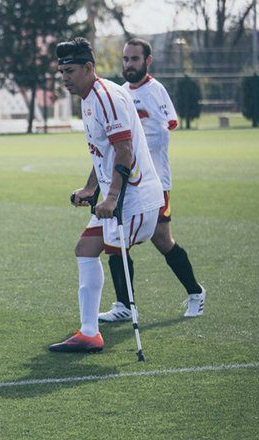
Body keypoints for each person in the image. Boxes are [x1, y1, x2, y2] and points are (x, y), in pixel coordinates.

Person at [49, 37, 164, 353]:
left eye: (69, 71)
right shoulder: (88, 98)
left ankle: (112, 317)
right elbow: (103, 152)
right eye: (61, 72)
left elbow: (124, 151)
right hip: (119, 199)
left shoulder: (107, 97)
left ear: (89, 68)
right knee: (85, 248)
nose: (65, 79)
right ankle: (89, 333)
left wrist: (111, 197)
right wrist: (90, 188)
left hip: (134, 200)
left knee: (114, 252)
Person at [97, 38, 206, 322]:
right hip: (128, 183)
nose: (128, 64)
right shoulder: (119, 93)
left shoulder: (156, 91)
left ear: (148, 61)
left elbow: (164, 132)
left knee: (162, 239)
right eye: (125, 59)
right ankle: (124, 305)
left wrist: (131, 142)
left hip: (156, 182)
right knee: (117, 241)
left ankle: (196, 293)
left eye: (134, 59)